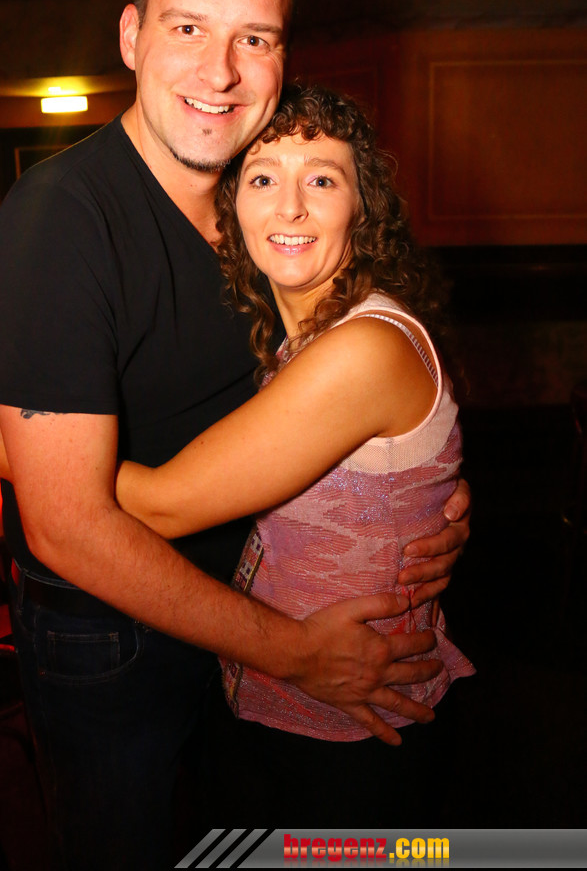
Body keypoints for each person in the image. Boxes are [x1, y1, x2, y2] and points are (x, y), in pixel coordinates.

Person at [0, 0, 470, 869]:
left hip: (234, 608)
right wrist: (289, 649)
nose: (219, 71)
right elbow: (66, 527)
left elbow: (329, 398)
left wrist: (421, 501)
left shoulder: (256, 212)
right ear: (131, 37)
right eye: (187, 28)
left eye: (255, 37)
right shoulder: (61, 218)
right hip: (113, 635)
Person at [110, 82, 475, 824]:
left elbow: (163, 506)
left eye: (322, 180)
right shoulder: (298, 339)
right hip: (284, 708)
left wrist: (32, 451)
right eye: (262, 179)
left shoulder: (362, 348)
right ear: (230, 208)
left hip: (354, 737)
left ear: (362, 208)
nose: (290, 208)